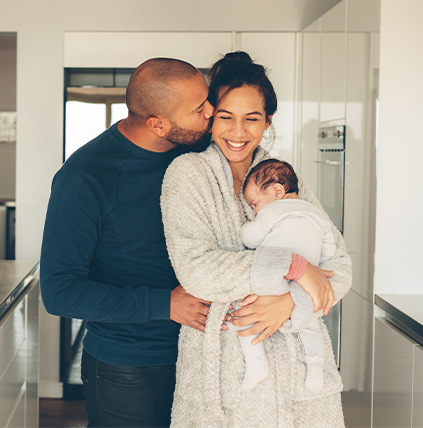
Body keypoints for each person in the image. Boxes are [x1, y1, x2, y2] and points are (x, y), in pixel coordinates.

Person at [161, 51, 352, 427]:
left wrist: (290, 301)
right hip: (224, 376)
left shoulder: (283, 180)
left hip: (300, 375)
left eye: (252, 118)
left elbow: (340, 269)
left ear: (267, 122)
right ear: (209, 116)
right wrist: (297, 268)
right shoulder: (187, 175)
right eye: (226, 117)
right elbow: (198, 270)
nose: (237, 131)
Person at [40, 57, 216, 427]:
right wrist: (164, 304)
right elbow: (59, 291)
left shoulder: (194, 152)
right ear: (158, 124)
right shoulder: (84, 177)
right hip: (129, 369)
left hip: (204, 355)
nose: (211, 112)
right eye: (199, 108)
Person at [237, 158, 336, 393]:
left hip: (275, 274)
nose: (254, 210)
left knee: (243, 311)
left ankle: (257, 362)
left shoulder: (272, 211)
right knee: (311, 324)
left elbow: (249, 239)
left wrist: (245, 225)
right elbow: (330, 250)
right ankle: (316, 367)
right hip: (306, 283)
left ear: (277, 191)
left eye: (254, 204)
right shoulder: (317, 213)